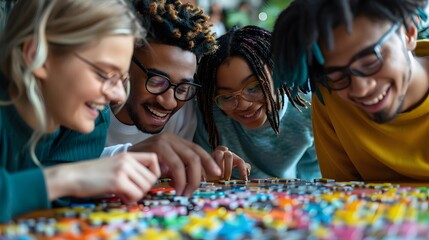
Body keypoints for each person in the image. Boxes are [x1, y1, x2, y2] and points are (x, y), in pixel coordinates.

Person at [0, 0, 161, 222]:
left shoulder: (91, 118)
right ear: (37, 54)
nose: (118, 96)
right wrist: (68, 178)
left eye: (122, 80)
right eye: (104, 74)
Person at [271, 0, 429, 181]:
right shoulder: (329, 95)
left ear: (409, 32)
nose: (360, 89)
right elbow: (342, 193)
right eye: (337, 75)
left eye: (371, 62)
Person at [102, 0, 247, 196]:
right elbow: (59, 165)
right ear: (124, 64)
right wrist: (133, 154)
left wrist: (204, 169)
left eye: (184, 87)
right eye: (156, 81)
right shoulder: (92, 101)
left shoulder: (185, 112)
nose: (169, 101)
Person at [194, 25, 321, 180]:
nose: (243, 105)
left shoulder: (309, 109)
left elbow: (315, 176)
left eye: (254, 87)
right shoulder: (208, 116)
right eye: (226, 97)